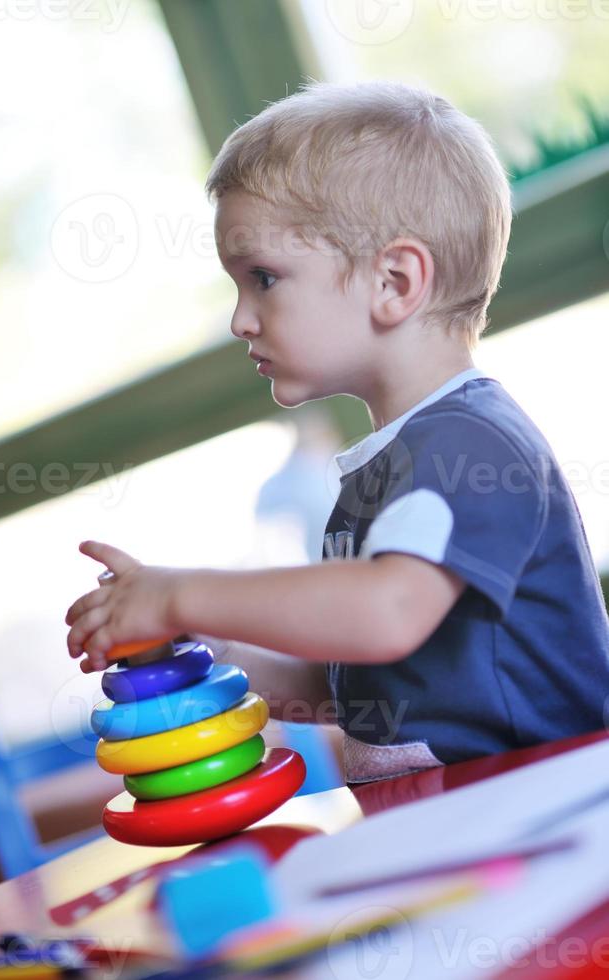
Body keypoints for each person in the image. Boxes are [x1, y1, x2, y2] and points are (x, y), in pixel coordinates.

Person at [65, 80, 609, 783]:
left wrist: (180, 593)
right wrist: (220, 646)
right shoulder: (387, 471)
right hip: (457, 823)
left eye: (263, 277)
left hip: (550, 815)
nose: (240, 319)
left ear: (394, 281)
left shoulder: (470, 447)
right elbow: (362, 690)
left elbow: (386, 616)